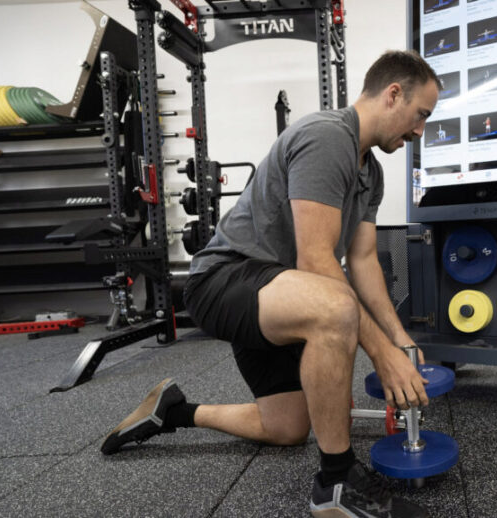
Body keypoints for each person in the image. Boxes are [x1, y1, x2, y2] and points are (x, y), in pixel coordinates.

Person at [101, 50, 441, 518]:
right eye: (421, 115)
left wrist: (400, 342)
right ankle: (335, 486)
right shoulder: (327, 138)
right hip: (227, 279)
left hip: (280, 292)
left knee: (288, 427)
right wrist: (381, 356)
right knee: (334, 310)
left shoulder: (371, 172)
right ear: (393, 94)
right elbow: (318, 260)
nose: (419, 131)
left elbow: (362, 261)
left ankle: (173, 410)